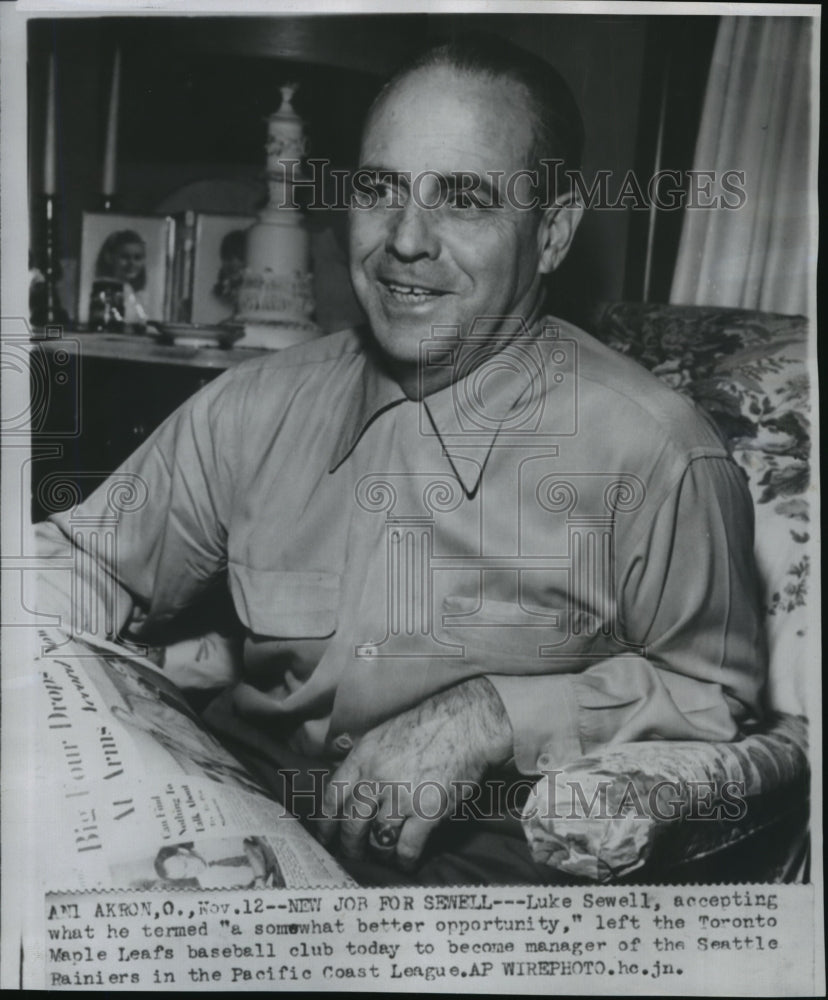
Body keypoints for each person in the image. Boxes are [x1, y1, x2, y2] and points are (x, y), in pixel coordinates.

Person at [36, 35, 766, 885]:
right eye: (380, 189)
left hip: (470, 898)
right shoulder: (255, 403)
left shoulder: (660, 456)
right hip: (231, 825)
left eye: (463, 200)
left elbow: (722, 703)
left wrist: (495, 715)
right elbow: (82, 561)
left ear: (555, 231)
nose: (406, 241)